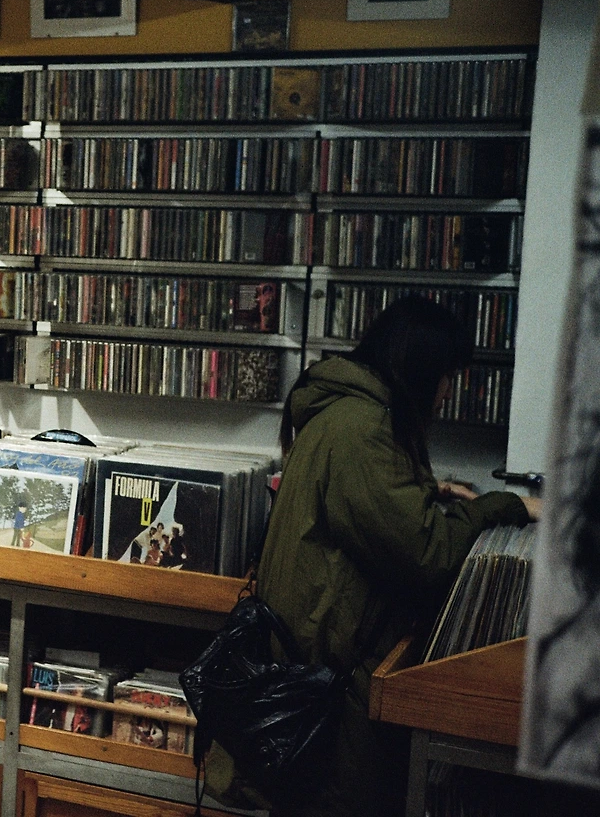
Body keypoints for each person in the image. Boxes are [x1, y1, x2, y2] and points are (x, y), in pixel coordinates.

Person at [205, 295, 540, 817]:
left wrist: (430, 493)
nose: (447, 393)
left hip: (318, 677)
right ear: (420, 367)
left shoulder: (349, 414)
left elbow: (369, 512)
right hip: (333, 695)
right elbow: (426, 555)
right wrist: (505, 505)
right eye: (447, 376)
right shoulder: (364, 429)